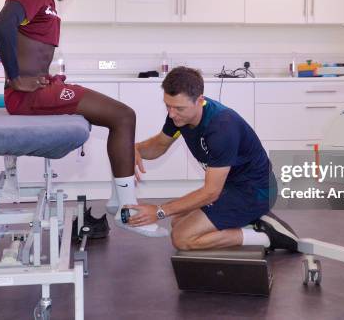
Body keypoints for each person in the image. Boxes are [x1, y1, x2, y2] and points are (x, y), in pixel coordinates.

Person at [0, 0, 167, 238]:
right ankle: (127, 210)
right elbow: (2, 23)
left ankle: (118, 202)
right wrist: (15, 78)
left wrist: (37, 77)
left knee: (123, 116)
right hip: (27, 95)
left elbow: (28, 42)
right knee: (124, 116)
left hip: (36, 88)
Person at [126, 67, 298, 251]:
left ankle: (265, 236)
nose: (171, 113)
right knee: (177, 222)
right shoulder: (179, 117)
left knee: (182, 237)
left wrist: (159, 211)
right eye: (167, 105)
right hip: (229, 188)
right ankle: (249, 220)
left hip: (254, 192)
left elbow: (210, 192)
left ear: (200, 100)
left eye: (178, 108)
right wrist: (132, 149)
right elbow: (159, 146)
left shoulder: (221, 128)